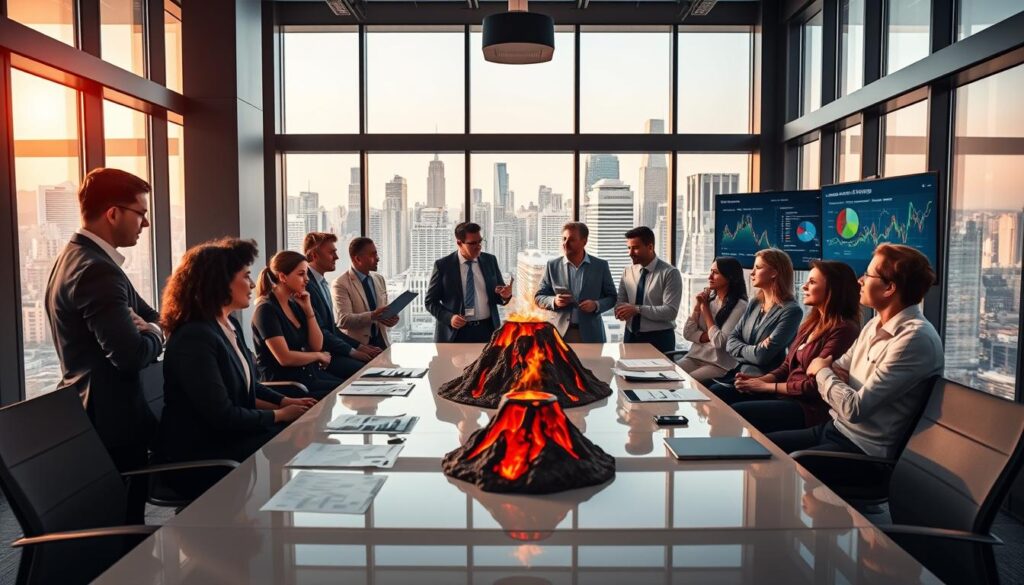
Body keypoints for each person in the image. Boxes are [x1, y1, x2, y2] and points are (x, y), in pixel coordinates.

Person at [44, 168, 162, 523]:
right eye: (140, 213)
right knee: (124, 530)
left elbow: (155, 315)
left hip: (92, 413)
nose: (145, 223)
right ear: (113, 213)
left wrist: (153, 326)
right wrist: (156, 334)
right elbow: (130, 355)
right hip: (112, 422)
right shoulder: (98, 270)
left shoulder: (77, 258)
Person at [158, 239, 315, 497]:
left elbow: (249, 386)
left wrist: (286, 400)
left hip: (228, 437)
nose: (253, 284)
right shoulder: (194, 338)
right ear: (220, 283)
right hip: (205, 452)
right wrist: (280, 414)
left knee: (299, 432)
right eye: (245, 276)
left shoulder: (227, 325)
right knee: (294, 438)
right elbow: (223, 415)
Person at [768, 244, 943, 459]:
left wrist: (823, 372)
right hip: (835, 429)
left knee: (783, 463)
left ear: (889, 288)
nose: (860, 281)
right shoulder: (874, 324)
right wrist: (831, 374)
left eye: (868, 275)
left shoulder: (913, 340)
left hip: (863, 451)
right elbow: (838, 367)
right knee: (763, 447)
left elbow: (853, 409)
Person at [727, 260, 862, 434]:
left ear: (834, 290)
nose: (804, 286)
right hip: (786, 396)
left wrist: (766, 387)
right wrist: (762, 380)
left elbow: (814, 386)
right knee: (726, 396)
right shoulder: (810, 323)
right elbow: (786, 366)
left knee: (738, 413)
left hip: (809, 408)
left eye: (812, 282)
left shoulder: (844, 330)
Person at [251, 250, 344, 398]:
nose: (307, 279)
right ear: (282, 277)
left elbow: (316, 345)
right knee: (342, 394)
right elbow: (285, 358)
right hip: (288, 387)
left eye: (306, 274)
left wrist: (308, 311)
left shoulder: (295, 304)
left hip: (309, 378)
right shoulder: (265, 311)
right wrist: (318, 356)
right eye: (301, 274)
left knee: (349, 388)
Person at [710, 249, 802, 395]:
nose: (752, 273)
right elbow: (730, 342)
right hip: (738, 372)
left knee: (716, 396)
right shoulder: (754, 303)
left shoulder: (791, 311)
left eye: (758, 268)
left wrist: (741, 348)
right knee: (710, 392)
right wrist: (753, 349)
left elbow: (762, 357)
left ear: (774, 272)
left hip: (763, 379)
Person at [425, 222, 514, 343]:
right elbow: (430, 302)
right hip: (456, 333)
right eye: (472, 243)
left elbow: (499, 294)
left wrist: (505, 295)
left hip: (487, 330)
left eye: (480, 241)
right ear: (459, 243)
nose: (478, 246)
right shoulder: (443, 266)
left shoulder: (490, 260)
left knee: (488, 362)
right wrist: (449, 318)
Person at [302, 232, 375, 380]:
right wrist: (353, 352)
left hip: (332, 351)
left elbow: (332, 328)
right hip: (321, 358)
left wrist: (359, 347)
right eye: (332, 252)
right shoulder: (306, 285)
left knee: (370, 367)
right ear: (315, 255)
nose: (336, 257)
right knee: (366, 372)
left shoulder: (321, 283)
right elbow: (321, 330)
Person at [534, 222, 617, 342]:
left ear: (584, 241)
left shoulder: (600, 266)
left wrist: (596, 305)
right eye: (564, 238)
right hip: (559, 334)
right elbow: (538, 297)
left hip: (591, 334)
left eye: (571, 239)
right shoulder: (552, 266)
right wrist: (554, 301)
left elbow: (612, 297)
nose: (565, 243)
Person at [680, 257, 748, 384]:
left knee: (689, 382)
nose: (709, 277)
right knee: (671, 373)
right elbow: (688, 333)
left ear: (730, 277)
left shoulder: (740, 306)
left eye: (715, 273)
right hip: (695, 357)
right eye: (710, 271)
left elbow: (719, 342)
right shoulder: (709, 300)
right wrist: (697, 307)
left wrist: (704, 309)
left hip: (718, 363)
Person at [614, 226, 682, 354]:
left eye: (635, 248)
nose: (630, 253)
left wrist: (637, 309)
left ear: (650, 247)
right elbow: (620, 302)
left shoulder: (670, 273)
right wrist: (620, 311)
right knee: (629, 373)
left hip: (659, 338)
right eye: (629, 248)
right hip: (630, 336)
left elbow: (670, 312)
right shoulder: (627, 271)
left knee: (658, 374)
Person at [333, 237, 398, 350]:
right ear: (358, 259)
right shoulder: (341, 284)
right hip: (358, 346)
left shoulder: (379, 279)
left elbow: (384, 311)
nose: (377, 258)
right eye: (373, 255)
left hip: (383, 343)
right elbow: (343, 320)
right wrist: (372, 315)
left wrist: (392, 318)